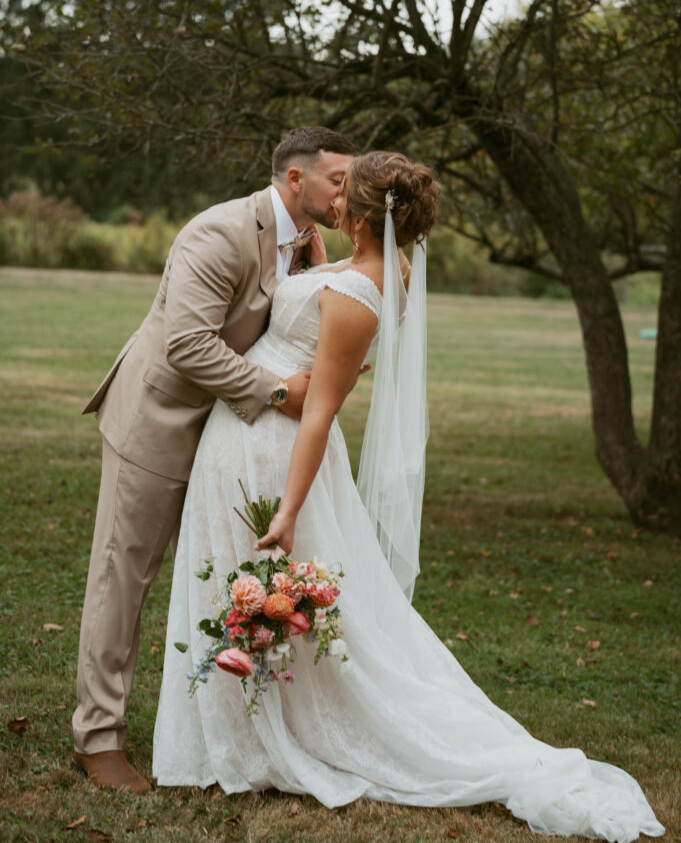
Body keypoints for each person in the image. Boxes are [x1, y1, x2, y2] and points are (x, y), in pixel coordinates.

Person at [153, 150, 664, 842]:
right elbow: (333, 294)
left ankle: (259, 740)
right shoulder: (382, 267)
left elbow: (320, 410)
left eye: (344, 193)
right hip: (250, 429)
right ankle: (243, 730)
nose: (333, 198)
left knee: (255, 582)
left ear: (364, 216)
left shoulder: (355, 293)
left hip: (271, 447)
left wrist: (289, 508)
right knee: (250, 589)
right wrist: (328, 251)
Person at [73, 126, 357, 793]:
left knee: (224, 577)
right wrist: (280, 392)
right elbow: (187, 345)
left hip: (229, 435)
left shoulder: (309, 245)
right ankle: (97, 739)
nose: (347, 192)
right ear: (295, 180)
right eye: (337, 180)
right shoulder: (220, 232)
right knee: (124, 576)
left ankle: (226, 724)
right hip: (158, 421)